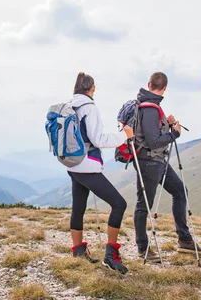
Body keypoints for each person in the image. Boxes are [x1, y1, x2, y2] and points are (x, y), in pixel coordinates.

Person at [67, 72, 134, 274]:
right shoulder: (89, 108)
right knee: (119, 204)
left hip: (72, 164)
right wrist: (124, 135)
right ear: (92, 88)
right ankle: (110, 256)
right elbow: (98, 140)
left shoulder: (70, 105)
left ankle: (78, 251)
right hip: (87, 165)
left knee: (78, 208)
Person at [132, 72, 201, 262]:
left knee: (180, 191)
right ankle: (143, 248)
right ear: (165, 88)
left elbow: (152, 134)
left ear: (148, 84)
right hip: (149, 162)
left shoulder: (150, 105)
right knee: (144, 204)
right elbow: (154, 141)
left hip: (157, 161)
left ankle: (184, 238)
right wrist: (175, 134)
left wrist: (168, 127)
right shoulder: (150, 108)